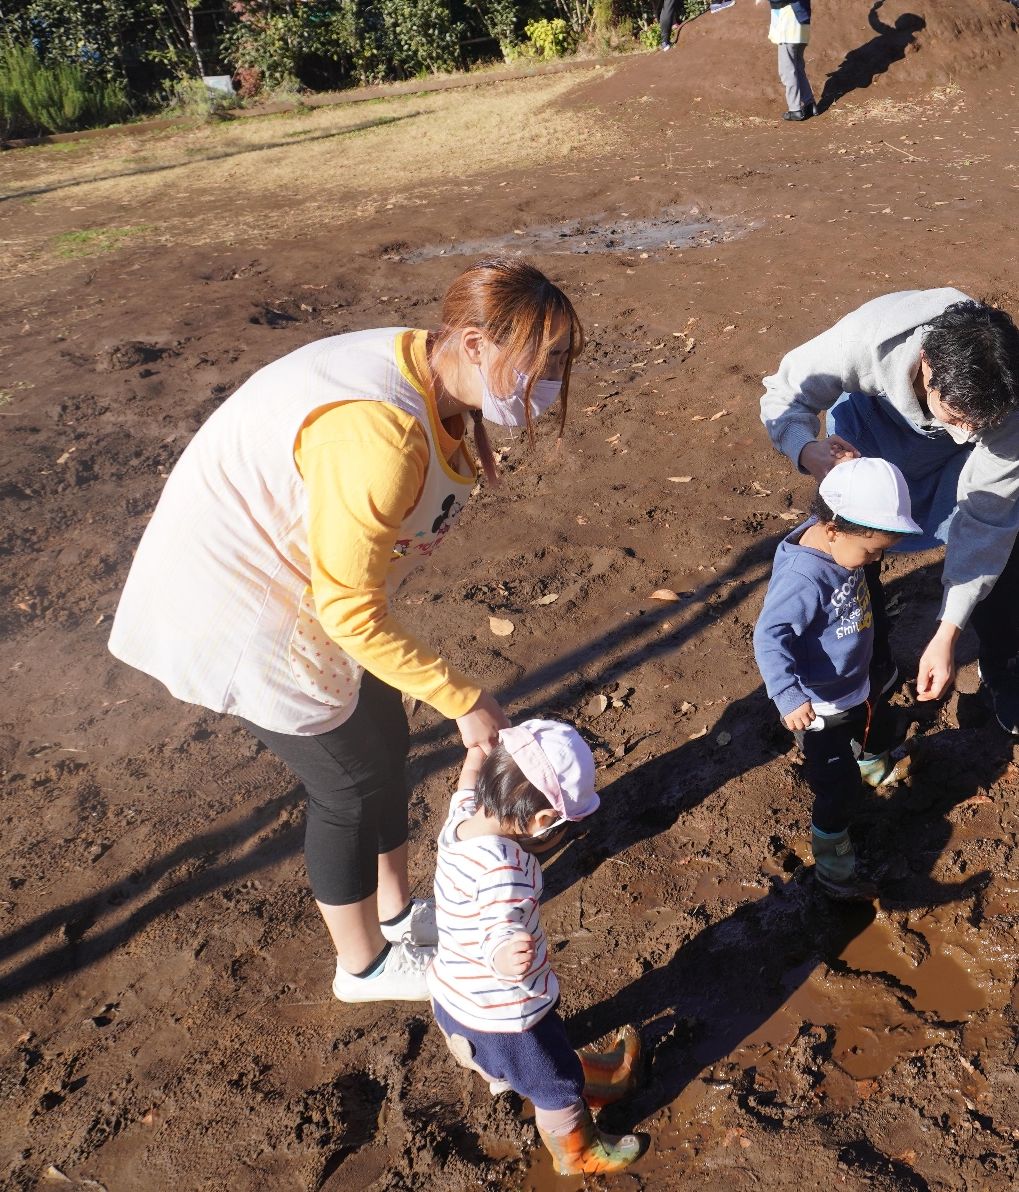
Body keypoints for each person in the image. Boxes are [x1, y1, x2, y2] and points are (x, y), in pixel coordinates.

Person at [109, 259, 581, 1003]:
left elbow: (354, 583)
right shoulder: (381, 436)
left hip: (305, 576)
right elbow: (349, 610)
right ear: (472, 343)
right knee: (348, 786)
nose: (549, 381)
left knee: (385, 738)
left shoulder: (432, 366)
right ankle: (361, 964)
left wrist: (466, 422)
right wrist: (463, 697)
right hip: (241, 594)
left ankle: (394, 913)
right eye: (539, 363)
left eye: (558, 362)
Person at [760, 290, 1019, 737]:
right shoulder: (869, 338)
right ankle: (873, 662)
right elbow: (785, 392)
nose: (962, 434)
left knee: (1007, 552)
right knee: (856, 559)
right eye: (954, 415)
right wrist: (805, 448)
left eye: (979, 424)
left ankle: (1001, 664)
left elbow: (988, 518)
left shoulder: (1013, 406)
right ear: (927, 366)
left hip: (959, 472)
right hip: (868, 442)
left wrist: (947, 632)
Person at [431, 721, 646, 1174]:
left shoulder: (462, 819)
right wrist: (505, 952)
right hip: (506, 1020)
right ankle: (576, 1152)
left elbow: (467, 781)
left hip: (454, 998)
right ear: (541, 822)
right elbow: (497, 921)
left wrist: (475, 752)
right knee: (555, 1085)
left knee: (538, 1064)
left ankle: (579, 1078)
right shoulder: (504, 868)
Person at [753, 459, 920, 900]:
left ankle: (874, 769)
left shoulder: (841, 532)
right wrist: (788, 696)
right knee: (837, 791)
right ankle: (834, 870)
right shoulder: (803, 577)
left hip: (857, 682)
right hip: (820, 706)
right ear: (831, 529)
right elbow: (769, 636)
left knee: (877, 728)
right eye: (871, 552)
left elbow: (852, 495)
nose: (877, 560)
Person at [765, 0, 815, 121]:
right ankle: (810, 104)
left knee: (787, 70)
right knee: (798, 67)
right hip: (802, 24)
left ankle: (795, 109)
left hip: (790, 24)